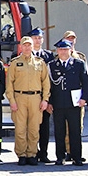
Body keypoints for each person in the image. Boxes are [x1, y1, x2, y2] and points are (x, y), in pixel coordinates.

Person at [6, 36, 50, 166]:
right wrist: (12, 101)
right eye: (24, 45)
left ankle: (32, 154)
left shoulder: (40, 63)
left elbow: (46, 83)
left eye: (29, 45)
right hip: (19, 98)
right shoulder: (15, 63)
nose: (27, 47)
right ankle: (22, 154)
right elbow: (9, 84)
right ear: (21, 46)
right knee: (20, 128)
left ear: (32, 47)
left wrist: (45, 99)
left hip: (36, 98)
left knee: (34, 128)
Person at [47, 39, 88, 166]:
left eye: (66, 49)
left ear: (71, 50)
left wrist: (84, 98)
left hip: (74, 103)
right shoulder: (52, 65)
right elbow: (49, 86)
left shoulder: (79, 64)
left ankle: (77, 157)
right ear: (57, 51)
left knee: (75, 131)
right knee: (59, 131)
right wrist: (49, 102)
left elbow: (86, 83)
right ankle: (60, 157)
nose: (63, 52)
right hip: (58, 104)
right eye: (60, 50)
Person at [27, 28, 56, 163]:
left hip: (43, 97)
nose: (37, 40)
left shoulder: (49, 56)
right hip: (29, 97)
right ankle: (32, 152)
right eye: (35, 37)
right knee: (30, 127)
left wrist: (49, 100)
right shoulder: (24, 54)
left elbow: (51, 80)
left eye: (39, 38)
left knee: (44, 127)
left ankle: (43, 153)